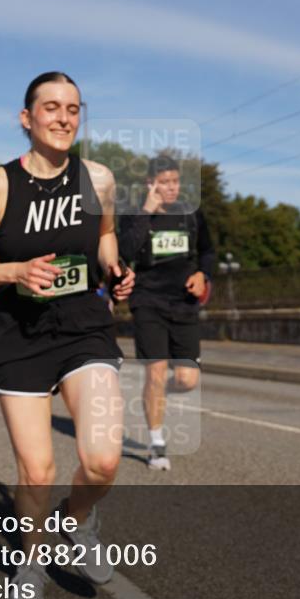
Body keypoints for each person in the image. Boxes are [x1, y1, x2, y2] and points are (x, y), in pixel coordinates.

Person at [0, 72, 134, 599]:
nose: (64, 117)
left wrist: (116, 269)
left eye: (74, 108)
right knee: (38, 471)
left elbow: (104, 237)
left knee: (102, 460)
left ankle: (76, 521)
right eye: (50, 107)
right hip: (18, 335)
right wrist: (14, 271)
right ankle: (30, 562)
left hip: (83, 327)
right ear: (26, 119)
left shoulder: (98, 178)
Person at [118, 155, 215, 471]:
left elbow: (208, 252)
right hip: (148, 303)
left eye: (175, 181)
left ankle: (154, 394)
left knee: (187, 379)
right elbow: (124, 253)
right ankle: (156, 443)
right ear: (151, 183)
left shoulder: (190, 214)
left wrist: (204, 275)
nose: (172, 188)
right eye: (165, 182)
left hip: (184, 305)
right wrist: (147, 209)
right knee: (156, 372)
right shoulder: (135, 215)